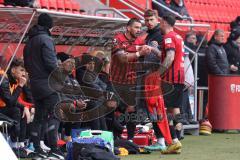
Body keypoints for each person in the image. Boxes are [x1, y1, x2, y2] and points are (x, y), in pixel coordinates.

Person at [23, 13, 64, 159]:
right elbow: (51, 63)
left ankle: (37, 149)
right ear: (49, 26)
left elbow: (26, 65)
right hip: (48, 84)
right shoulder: (46, 39)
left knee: (38, 118)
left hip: (35, 84)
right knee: (55, 114)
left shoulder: (28, 42)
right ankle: (54, 148)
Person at [110, 18, 148, 141]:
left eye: (140, 28)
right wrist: (139, 54)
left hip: (131, 82)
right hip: (116, 81)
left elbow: (143, 61)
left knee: (132, 110)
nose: (139, 30)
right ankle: (113, 136)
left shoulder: (140, 41)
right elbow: (122, 58)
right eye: (136, 27)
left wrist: (151, 50)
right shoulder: (118, 39)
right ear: (128, 28)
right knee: (111, 107)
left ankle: (130, 139)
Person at [141, 9, 173, 152]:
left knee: (157, 108)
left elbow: (165, 57)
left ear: (157, 20)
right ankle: (165, 139)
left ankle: (165, 140)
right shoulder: (150, 35)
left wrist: (152, 50)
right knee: (153, 110)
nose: (148, 22)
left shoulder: (161, 36)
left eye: (151, 20)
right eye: (146, 20)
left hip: (157, 77)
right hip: (150, 76)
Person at [159, 14, 185, 154]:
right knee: (175, 109)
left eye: (160, 22)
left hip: (170, 79)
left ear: (164, 22)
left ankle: (174, 141)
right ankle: (177, 138)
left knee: (164, 110)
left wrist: (158, 73)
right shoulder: (179, 37)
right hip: (179, 78)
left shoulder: (168, 37)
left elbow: (170, 56)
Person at [0, 59, 30, 158]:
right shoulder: (4, 78)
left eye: (24, 71)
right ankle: (13, 144)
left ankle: (21, 144)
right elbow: (10, 102)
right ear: (13, 70)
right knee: (16, 110)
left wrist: (25, 107)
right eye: (21, 70)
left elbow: (13, 101)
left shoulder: (13, 80)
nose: (23, 73)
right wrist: (20, 85)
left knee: (23, 110)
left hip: (4, 109)